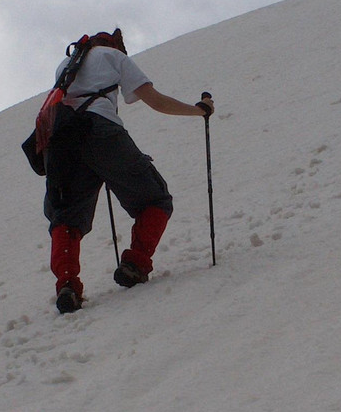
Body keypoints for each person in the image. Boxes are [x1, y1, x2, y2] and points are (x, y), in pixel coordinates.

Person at [43, 28, 214, 314]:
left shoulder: (65, 66)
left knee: (67, 217)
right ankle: (134, 263)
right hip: (102, 131)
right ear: (116, 45)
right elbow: (155, 100)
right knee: (155, 199)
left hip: (60, 142)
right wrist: (200, 111)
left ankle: (68, 285)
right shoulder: (113, 56)